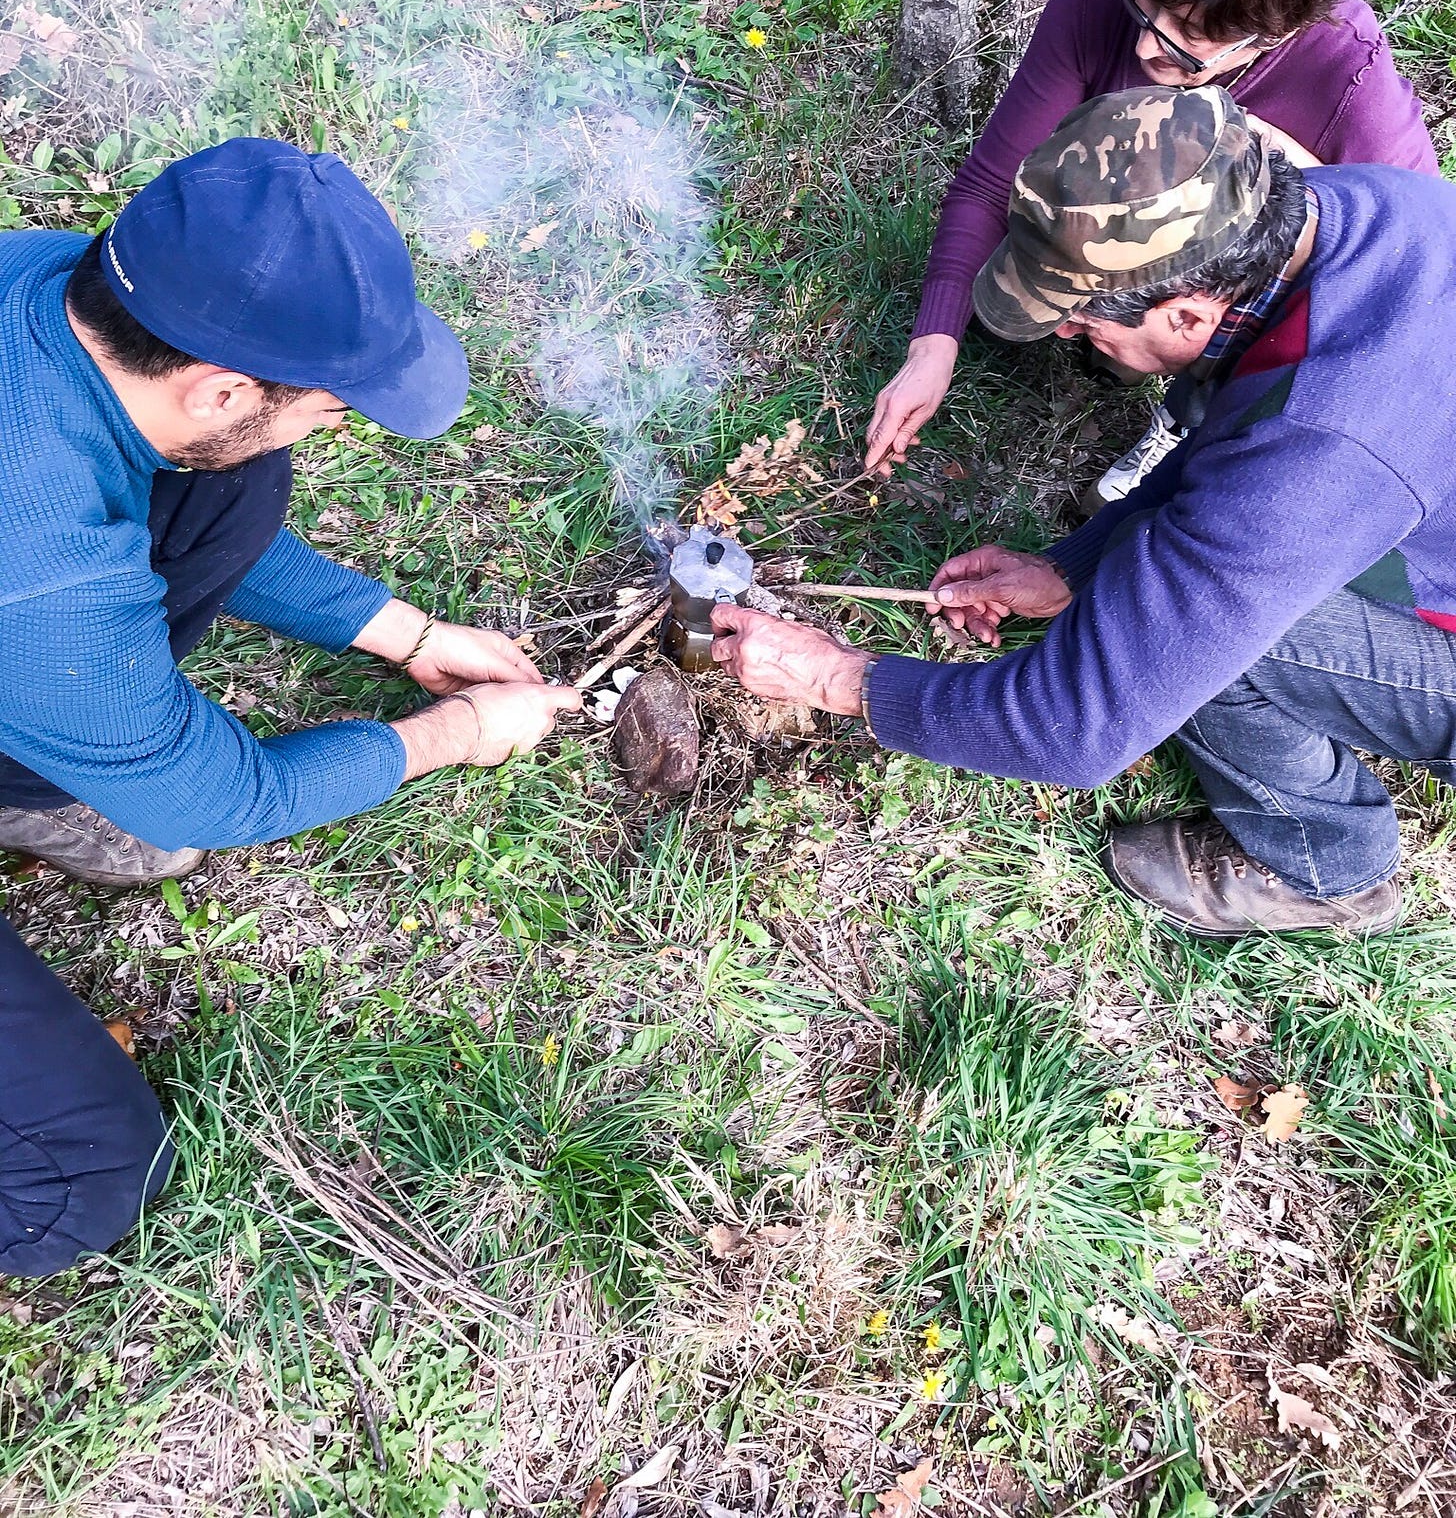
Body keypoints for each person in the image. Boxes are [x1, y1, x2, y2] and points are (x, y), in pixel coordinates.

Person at [0, 138, 580, 1277]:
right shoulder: (44, 571)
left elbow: (201, 485)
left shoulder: (50, 284)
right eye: (327, 408)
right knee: (83, 1177)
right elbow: (216, 795)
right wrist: (454, 737)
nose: (336, 423)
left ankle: (36, 771)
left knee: (237, 471)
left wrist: (405, 632)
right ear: (218, 384)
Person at [715, 86, 1456, 941]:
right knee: (1166, 570)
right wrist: (1070, 568)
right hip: (1389, 479)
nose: (1067, 335)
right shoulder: (1340, 214)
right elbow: (1240, 445)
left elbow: (1076, 727)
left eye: (1079, 318)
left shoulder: (1326, 435)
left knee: (1215, 638)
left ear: (1187, 311)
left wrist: (835, 678)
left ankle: (1329, 867)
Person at [865, 0, 1438, 502]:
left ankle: (1192, 416)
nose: (1143, 46)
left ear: (1273, 37)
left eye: (1185, 37)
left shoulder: (1347, 79)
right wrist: (933, 345)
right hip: (1136, 277)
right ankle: (1115, 340)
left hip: (1244, 304)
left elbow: (1402, 264)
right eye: (1147, 5)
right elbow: (991, 182)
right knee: (1024, 318)